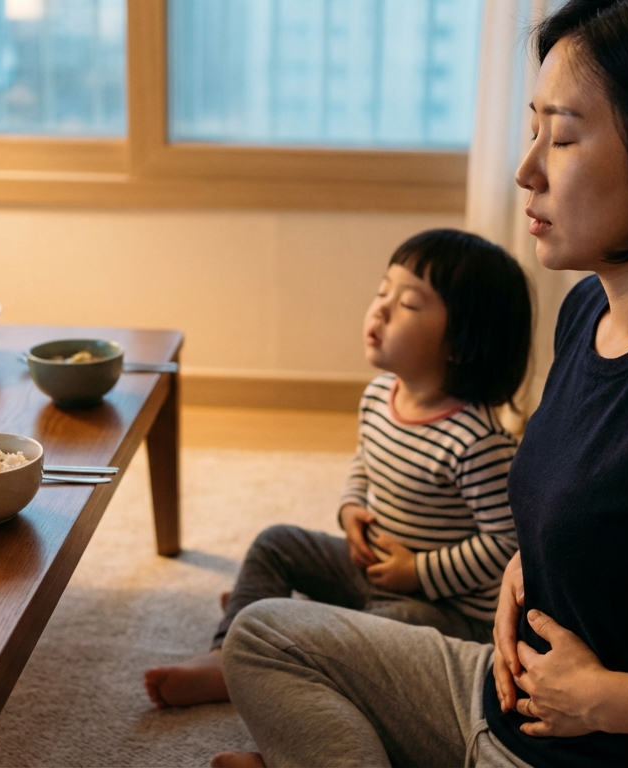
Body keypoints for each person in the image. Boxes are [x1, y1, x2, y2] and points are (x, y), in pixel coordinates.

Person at [212, 0, 628, 766]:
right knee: (264, 635)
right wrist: (526, 569)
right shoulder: (587, 309)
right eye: (533, 127)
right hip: (493, 694)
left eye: (564, 137)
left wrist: (603, 697)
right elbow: (601, 511)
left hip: (589, 748)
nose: (527, 169)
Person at [144, 228, 533, 709]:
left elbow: (507, 546)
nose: (380, 309)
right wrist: (350, 509)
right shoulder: (378, 395)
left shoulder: (476, 442)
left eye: (408, 303)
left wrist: (420, 571)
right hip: (372, 568)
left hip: (443, 611)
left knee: (378, 631)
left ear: (462, 343)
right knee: (276, 543)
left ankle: (295, 635)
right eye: (381, 291)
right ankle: (229, 655)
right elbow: (365, 464)